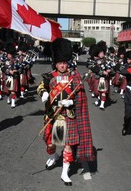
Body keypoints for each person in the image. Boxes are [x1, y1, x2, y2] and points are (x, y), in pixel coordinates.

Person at [37, 38, 95, 186]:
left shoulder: (74, 77)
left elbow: (80, 97)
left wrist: (72, 102)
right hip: (54, 115)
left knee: (67, 145)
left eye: (64, 62)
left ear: (67, 62)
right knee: (51, 144)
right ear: (56, 63)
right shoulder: (50, 76)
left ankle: (65, 173)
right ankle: (55, 155)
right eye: (59, 63)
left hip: (68, 116)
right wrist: (43, 93)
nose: (62, 65)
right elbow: (41, 87)